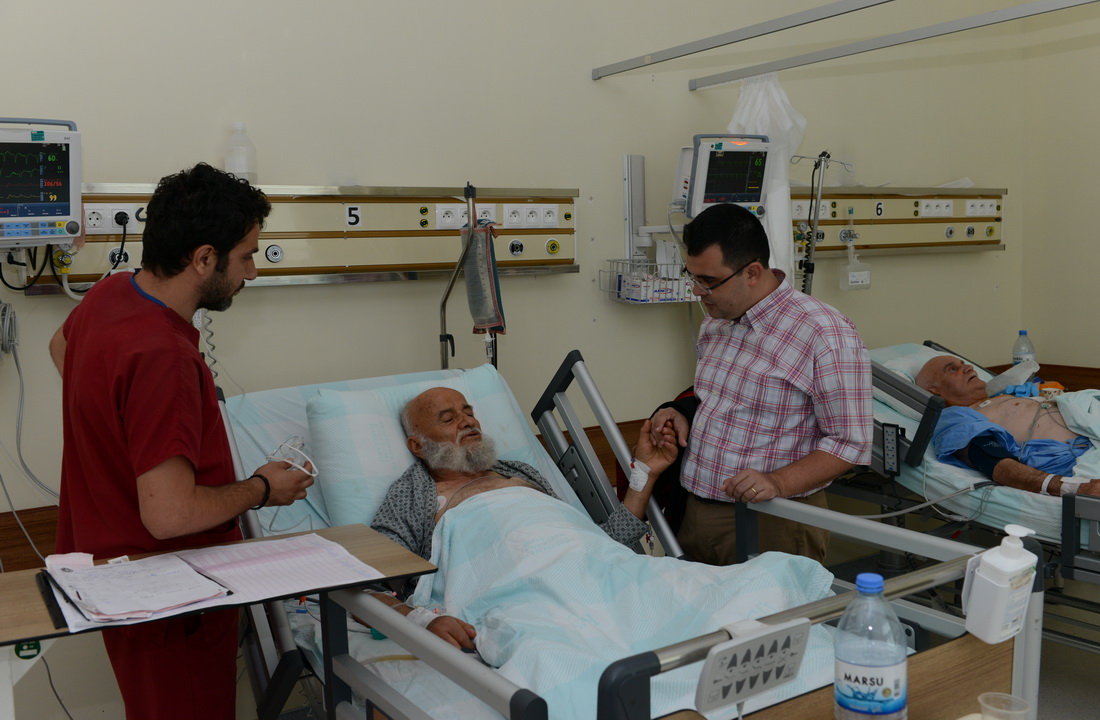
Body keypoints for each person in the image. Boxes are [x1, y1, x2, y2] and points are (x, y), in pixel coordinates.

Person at [49, 163, 315, 720]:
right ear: (204, 258)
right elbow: (169, 516)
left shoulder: (111, 293)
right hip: (170, 599)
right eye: (246, 257)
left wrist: (118, 431)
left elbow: (61, 347)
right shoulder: (164, 357)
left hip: (111, 578)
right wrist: (262, 488)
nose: (252, 273)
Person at [367, 386, 677, 648]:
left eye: (469, 412)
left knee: (681, 590)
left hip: (601, 575)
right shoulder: (413, 492)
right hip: (522, 600)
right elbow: (366, 584)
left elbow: (596, 542)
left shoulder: (519, 472)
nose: (468, 421)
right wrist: (421, 620)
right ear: (418, 446)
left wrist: (645, 473)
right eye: (449, 419)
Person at [649, 203, 873, 566]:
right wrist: (681, 413)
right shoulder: (717, 322)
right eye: (692, 276)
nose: (697, 291)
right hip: (697, 512)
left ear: (752, 272)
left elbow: (852, 442)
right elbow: (722, 404)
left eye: (708, 281)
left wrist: (778, 482)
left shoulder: (824, 333)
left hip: (773, 519)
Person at [914, 354, 1100, 497]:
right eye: (952, 369)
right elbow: (994, 461)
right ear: (935, 393)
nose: (967, 367)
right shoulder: (956, 419)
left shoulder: (998, 397)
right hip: (1085, 453)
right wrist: (1071, 487)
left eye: (963, 364)